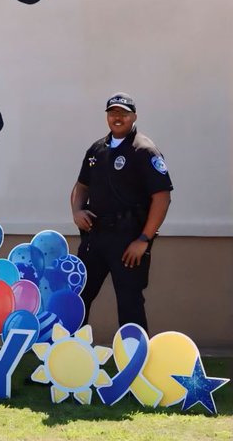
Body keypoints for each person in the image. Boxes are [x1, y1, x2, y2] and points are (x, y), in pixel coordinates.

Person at [69, 93, 172, 330]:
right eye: (113, 113)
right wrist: (76, 211)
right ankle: (69, 356)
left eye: (123, 113)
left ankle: (133, 361)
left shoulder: (144, 150)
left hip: (128, 240)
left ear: (133, 116)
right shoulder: (97, 149)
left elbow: (162, 197)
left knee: (129, 303)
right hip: (95, 236)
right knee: (78, 297)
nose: (117, 118)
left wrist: (144, 239)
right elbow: (81, 186)